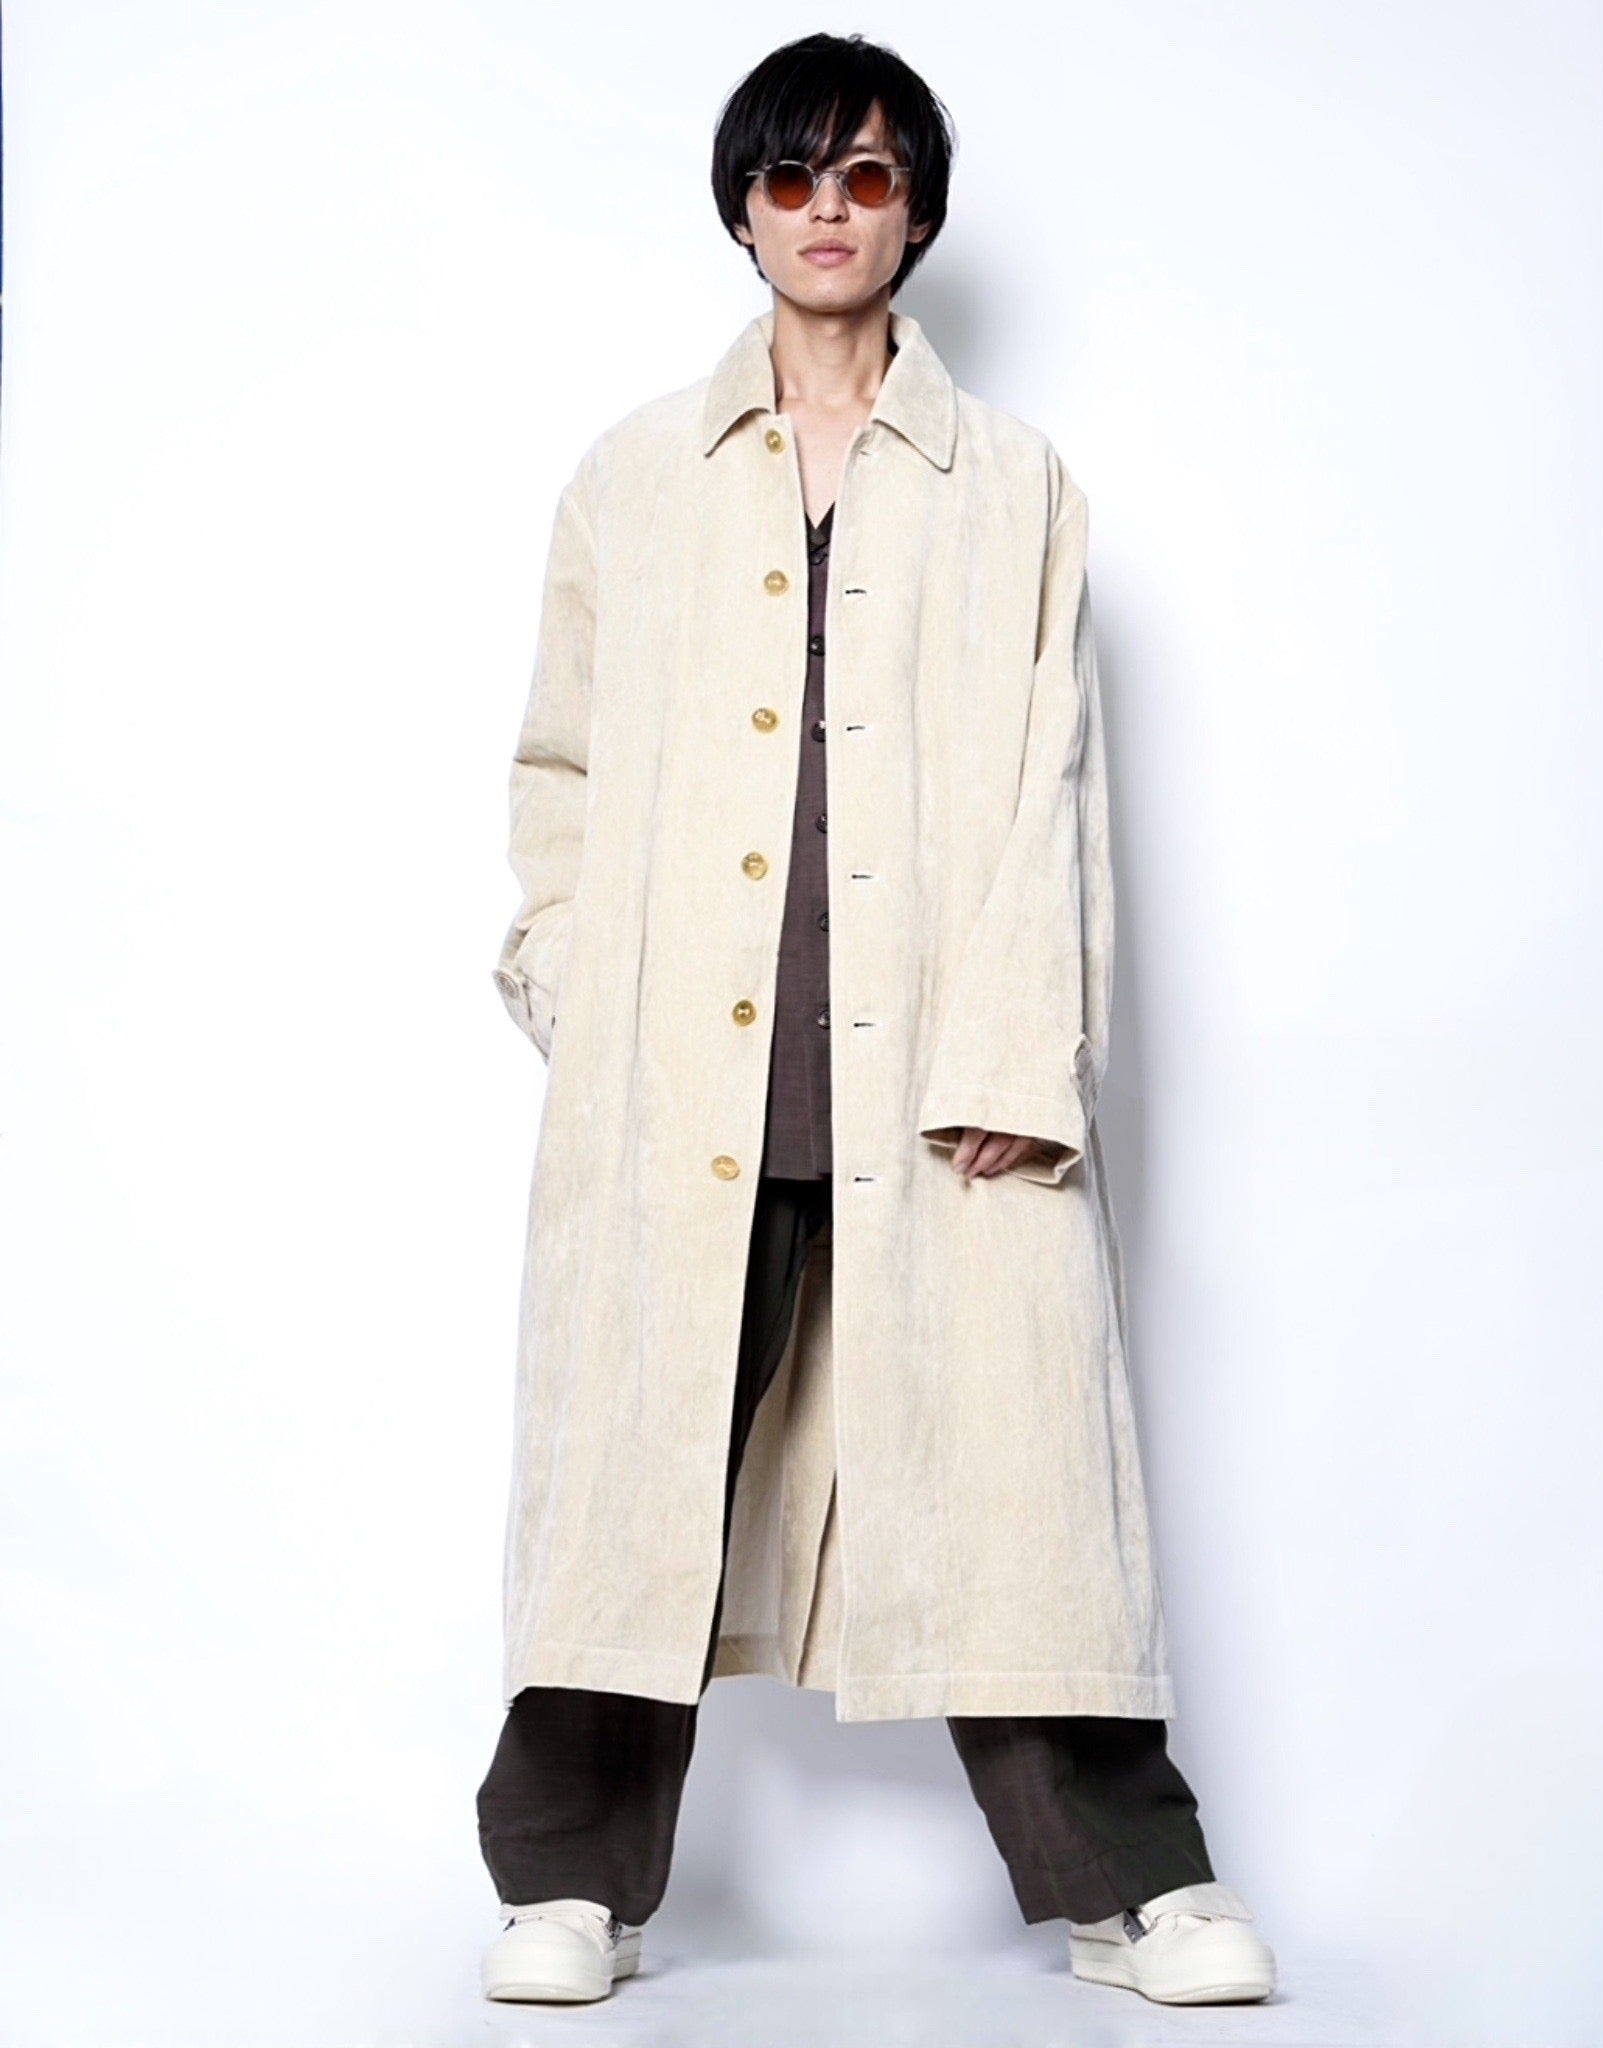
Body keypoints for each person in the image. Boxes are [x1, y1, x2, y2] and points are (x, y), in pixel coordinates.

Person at [474, 32, 1276, 2008]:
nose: (826, 209)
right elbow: (559, 770)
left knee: (1010, 1481)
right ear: (743, 211)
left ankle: (1137, 1888)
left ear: (913, 210)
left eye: (865, 175)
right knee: (637, 1476)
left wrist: (1020, 1052)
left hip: (934, 1079)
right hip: (686, 1080)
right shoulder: (631, 479)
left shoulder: (1012, 483)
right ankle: (568, 1885)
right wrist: (582, 992)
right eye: (791, 176)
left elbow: (1054, 778)